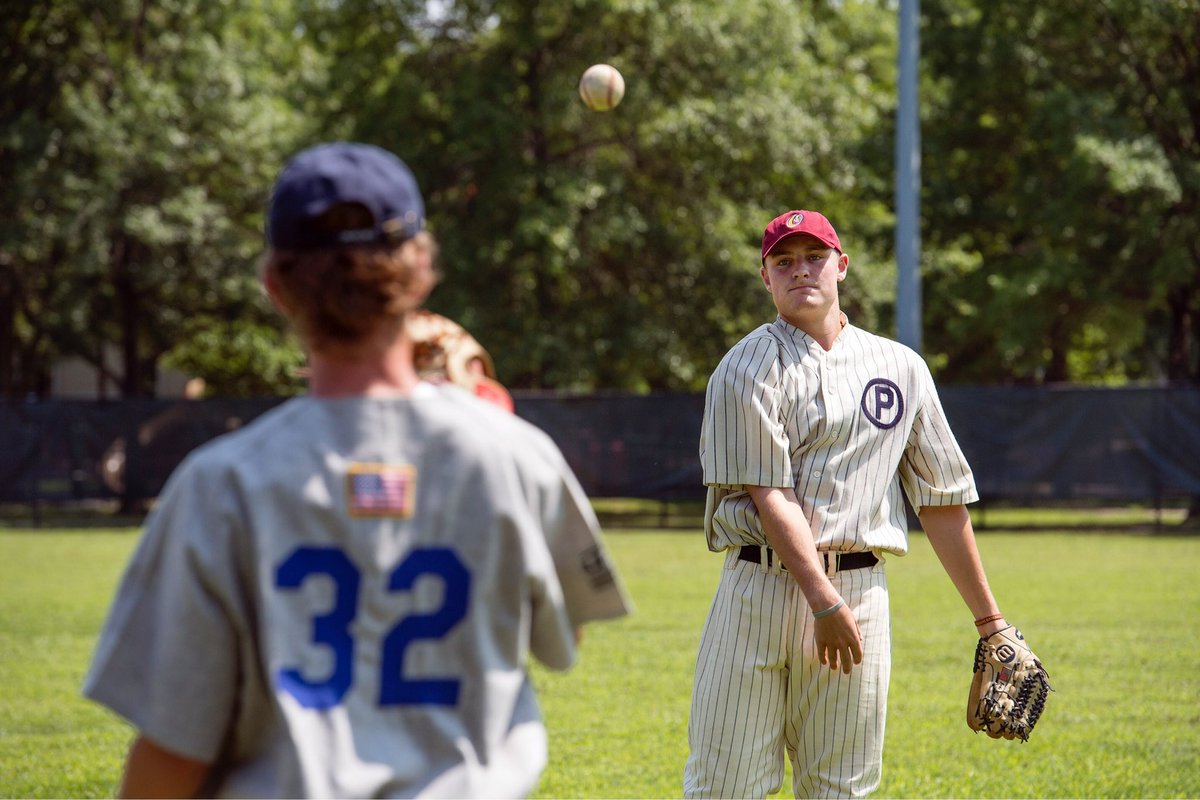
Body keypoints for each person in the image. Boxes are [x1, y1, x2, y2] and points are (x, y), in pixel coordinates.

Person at [83, 141, 631, 799]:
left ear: (276, 287)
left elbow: (173, 749)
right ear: (422, 270)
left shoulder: (220, 484)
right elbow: (560, 637)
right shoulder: (517, 455)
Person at [683, 210, 1011, 798]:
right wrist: (821, 600)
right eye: (784, 261)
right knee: (725, 788)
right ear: (765, 277)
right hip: (759, 592)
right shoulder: (746, 367)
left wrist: (991, 623)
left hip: (859, 596)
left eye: (814, 256)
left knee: (842, 790)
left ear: (842, 266)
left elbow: (941, 499)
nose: (800, 270)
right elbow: (769, 494)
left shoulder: (900, 367)